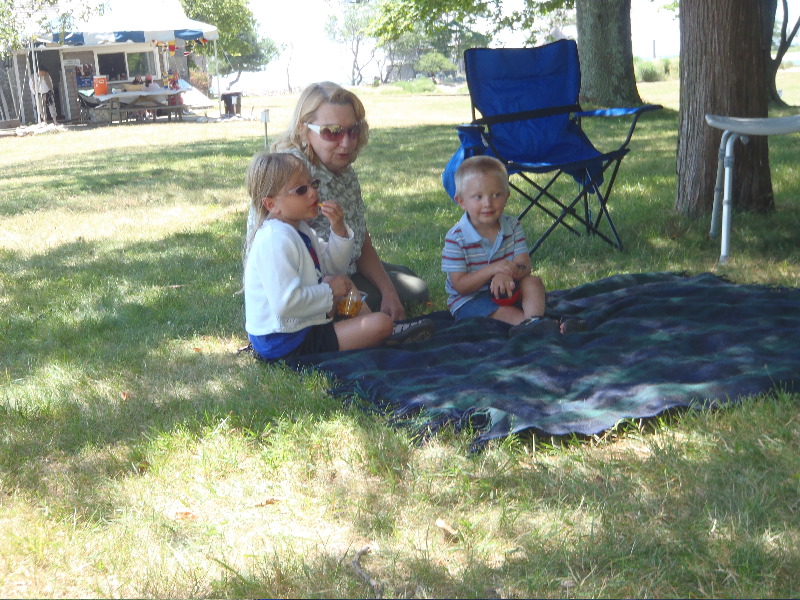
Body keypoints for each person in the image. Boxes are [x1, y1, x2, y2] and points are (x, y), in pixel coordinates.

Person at [245, 81, 429, 323]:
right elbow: (319, 269)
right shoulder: (292, 177)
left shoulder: (342, 168)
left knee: (407, 281)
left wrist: (389, 292)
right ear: (303, 129)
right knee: (411, 290)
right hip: (306, 286)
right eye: (332, 132)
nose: (346, 142)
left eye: (352, 130)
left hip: (341, 266)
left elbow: (361, 238)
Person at [244, 152, 433, 362]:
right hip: (284, 341)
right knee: (381, 323)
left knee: (342, 282)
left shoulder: (300, 230)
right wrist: (330, 291)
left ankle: (370, 327)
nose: (312, 193)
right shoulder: (275, 240)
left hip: (299, 325)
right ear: (271, 205)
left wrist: (339, 230)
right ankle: (379, 331)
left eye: (312, 184)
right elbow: (285, 304)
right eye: (301, 190)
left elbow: (332, 267)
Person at [442, 156, 585, 337]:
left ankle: (535, 321)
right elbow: (460, 286)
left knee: (533, 282)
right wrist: (493, 270)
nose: (488, 203)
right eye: (478, 197)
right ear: (461, 201)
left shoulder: (513, 225)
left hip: (510, 288)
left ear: (507, 196)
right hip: (470, 300)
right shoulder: (456, 238)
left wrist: (504, 274)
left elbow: (524, 265)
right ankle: (547, 326)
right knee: (503, 312)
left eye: (496, 195)